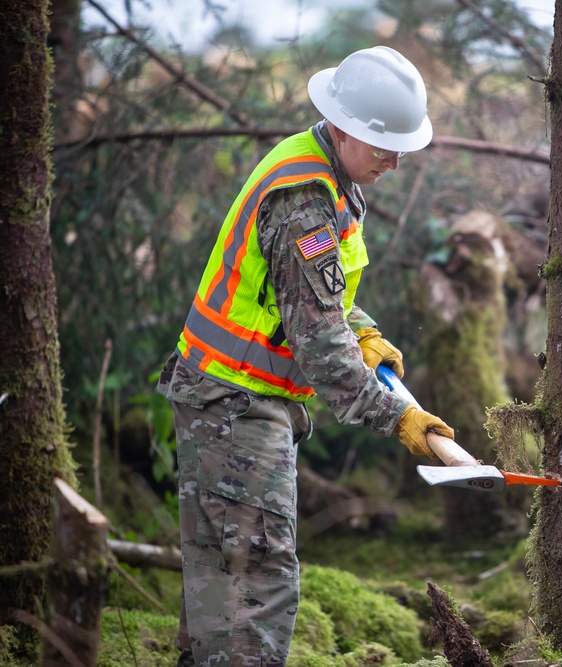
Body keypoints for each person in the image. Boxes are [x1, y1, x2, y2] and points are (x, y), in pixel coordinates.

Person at [157, 46, 454, 667]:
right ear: (344, 128)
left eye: (401, 148)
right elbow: (319, 344)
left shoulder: (329, 174)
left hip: (226, 398)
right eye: (383, 147)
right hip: (235, 404)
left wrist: (365, 332)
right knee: (256, 586)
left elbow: (323, 299)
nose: (395, 162)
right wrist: (395, 416)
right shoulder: (304, 202)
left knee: (222, 585)